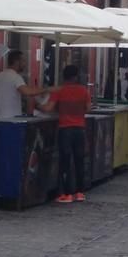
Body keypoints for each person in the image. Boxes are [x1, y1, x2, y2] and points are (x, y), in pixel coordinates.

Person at [38, 65, 91, 203]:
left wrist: (36, 105)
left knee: (65, 161)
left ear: (64, 76)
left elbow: (48, 108)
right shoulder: (84, 91)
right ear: (76, 76)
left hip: (65, 129)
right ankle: (80, 193)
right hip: (79, 129)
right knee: (79, 160)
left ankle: (66, 194)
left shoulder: (59, 91)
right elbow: (88, 109)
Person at [0, 50, 47, 119]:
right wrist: (47, 89)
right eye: (23, 61)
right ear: (16, 62)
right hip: (12, 120)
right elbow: (28, 92)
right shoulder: (15, 77)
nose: (25, 64)